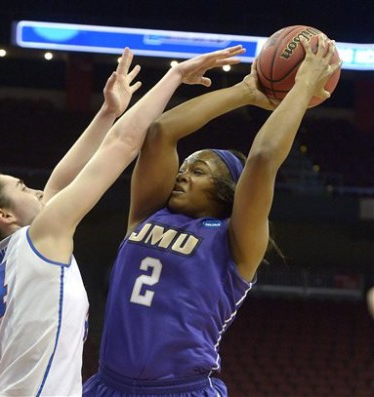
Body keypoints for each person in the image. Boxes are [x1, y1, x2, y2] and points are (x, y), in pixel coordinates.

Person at [0, 45, 246, 397]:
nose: (40, 192)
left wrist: (108, 111)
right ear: (4, 215)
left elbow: (59, 180)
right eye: (24, 188)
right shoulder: (38, 238)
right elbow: (124, 142)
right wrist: (175, 75)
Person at [83, 35, 341, 396]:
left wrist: (301, 87)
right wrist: (245, 91)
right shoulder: (147, 214)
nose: (182, 175)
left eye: (199, 171)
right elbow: (160, 132)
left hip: (181, 389)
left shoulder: (235, 241)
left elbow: (263, 158)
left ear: (226, 191)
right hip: (107, 386)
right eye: (185, 168)